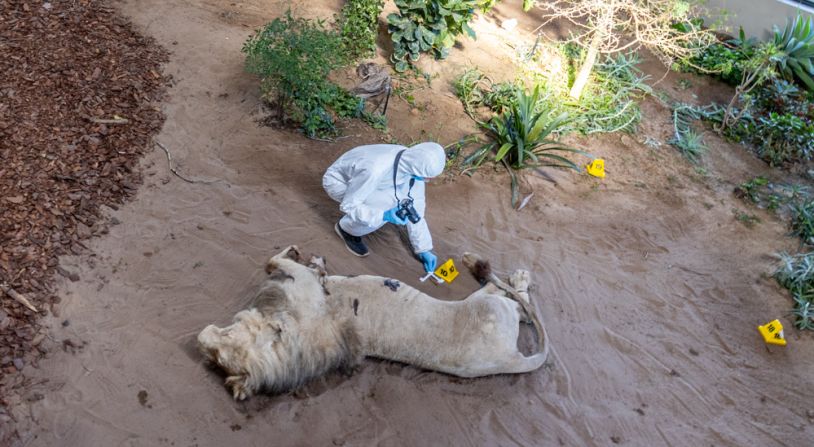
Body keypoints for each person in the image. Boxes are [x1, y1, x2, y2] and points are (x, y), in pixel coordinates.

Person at [322, 142, 445, 273]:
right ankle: (347, 230)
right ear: (417, 170)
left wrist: (424, 248)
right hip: (339, 182)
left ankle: (362, 220)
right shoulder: (375, 169)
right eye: (427, 177)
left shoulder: (412, 162)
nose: (428, 181)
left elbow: (416, 205)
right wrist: (383, 215)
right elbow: (349, 205)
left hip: (371, 183)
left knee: (398, 201)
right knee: (388, 203)